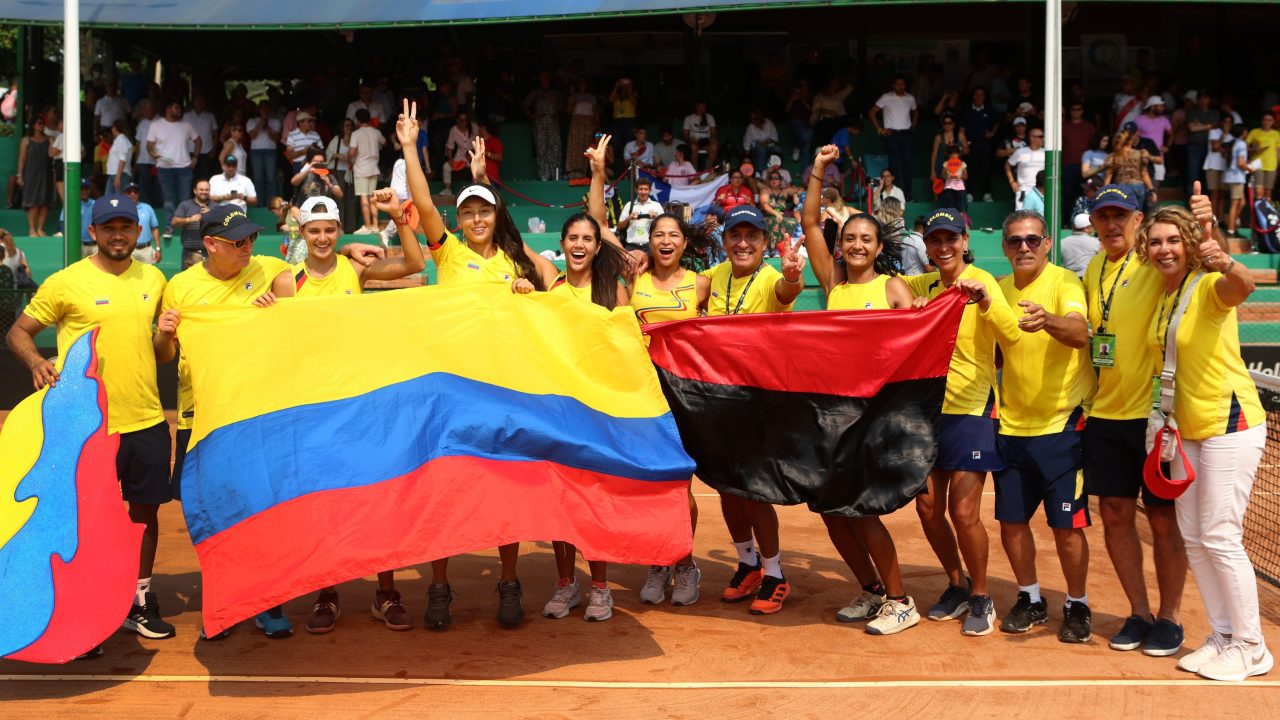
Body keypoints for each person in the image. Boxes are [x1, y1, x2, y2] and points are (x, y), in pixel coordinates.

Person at [398, 100, 547, 629]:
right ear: (458, 220)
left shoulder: (515, 260)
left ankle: (509, 582)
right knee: (445, 491)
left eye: (485, 210)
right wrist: (411, 147)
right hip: (451, 396)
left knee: (502, 490)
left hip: (503, 393)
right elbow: (422, 202)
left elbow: (549, 306)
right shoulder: (448, 254)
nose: (478, 219)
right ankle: (439, 588)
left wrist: (527, 292)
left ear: (495, 216)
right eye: (469, 212)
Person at [7, 193, 176, 650]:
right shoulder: (66, 283)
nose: (118, 234)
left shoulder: (155, 278)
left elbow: (163, 354)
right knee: (83, 519)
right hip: (87, 426)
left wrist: (165, 338)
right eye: (109, 227)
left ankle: (137, 602)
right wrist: (37, 363)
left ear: (138, 232)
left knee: (144, 513)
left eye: (126, 226)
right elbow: (18, 331)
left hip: (144, 417)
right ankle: (87, 610)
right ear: (94, 232)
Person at [155, 205, 298, 640]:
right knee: (214, 512)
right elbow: (165, 356)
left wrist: (279, 309)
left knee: (265, 507)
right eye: (238, 242)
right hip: (204, 414)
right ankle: (223, 602)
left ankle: (268, 601)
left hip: (258, 412)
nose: (248, 247)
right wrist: (163, 333)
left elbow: (299, 320)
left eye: (252, 238)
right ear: (210, 245)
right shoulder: (180, 287)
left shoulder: (269, 269)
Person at [1150, 198, 1271, 682]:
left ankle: (1252, 646)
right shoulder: (1165, 294)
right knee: (1196, 539)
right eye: (1156, 241)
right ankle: (1222, 636)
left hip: (1230, 423)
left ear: (1190, 245)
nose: (1164, 249)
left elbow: (1242, 286)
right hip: (1187, 431)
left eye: (1174, 240)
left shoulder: (1207, 286)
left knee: (1221, 536)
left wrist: (1228, 260)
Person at [295, 191, 426, 634]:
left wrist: (398, 218)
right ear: (302, 233)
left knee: (377, 498)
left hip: (359, 403)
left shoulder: (355, 269)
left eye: (330, 230)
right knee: (321, 506)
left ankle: (385, 593)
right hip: (311, 407)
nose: (323, 237)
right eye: (315, 231)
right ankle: (326, 594)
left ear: (339, 230)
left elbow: (414, 265)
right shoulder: (285, 281)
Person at [803, 145, 919, 634]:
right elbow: (811, 223)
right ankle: (870, 590)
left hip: (874, 416)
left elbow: (918, 349)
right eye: (849, 238)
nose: (855, 245)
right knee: (830, 510)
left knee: (864, 510)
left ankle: (900, 600)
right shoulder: (833, 284)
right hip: (835, 414)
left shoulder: (893, 288)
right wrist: (817, 171)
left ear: (877, 247)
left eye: (865, 239)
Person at [1081, 184, 1187, 658]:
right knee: (1115, 515)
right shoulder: (1092, 267)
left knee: (1163, 522)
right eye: (1102, 215)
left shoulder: (1156, 262)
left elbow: (1202, 266)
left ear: (1138, 220)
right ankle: (1139, 611)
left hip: (1150, 417)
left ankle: (1170, 617)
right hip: (1104, 412)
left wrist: (1205, 228)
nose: (1111, 223)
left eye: (1120, 215)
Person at [905, 208, 1021, 637]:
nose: (943, 247)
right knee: (928, 507)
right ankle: (957, 582)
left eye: (950, 238)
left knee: (964, 509)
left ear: (964, 239)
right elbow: (885, 289)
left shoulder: (982, 280)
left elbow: (1010, 335)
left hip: (973, 409)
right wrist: (912, 302)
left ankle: (982, 595)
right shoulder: (927, 284)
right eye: (934, 240)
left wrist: (985, 301)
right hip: (929, 412)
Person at [993, 210, 1094, 643]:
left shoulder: (1065, 283)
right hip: (1011, 427)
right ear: (1004, 247)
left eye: (1033, 240)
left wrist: (1047, 320)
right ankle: (1030, 598)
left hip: (1062, 427)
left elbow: (1080, 332)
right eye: (1015, 241)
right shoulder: (998, 290)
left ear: (1048, 243)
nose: (1024, 248)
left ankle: (1077, 603)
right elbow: (995, 352)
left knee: (1066, 527)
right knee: (1012, 523)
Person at [704, 205, 806, 616]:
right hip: (716, 401)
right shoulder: (712, 276)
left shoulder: (769, 278)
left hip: (758, 402)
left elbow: (786, 292)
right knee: (726, 487)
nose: (743, 243)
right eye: (735, 235)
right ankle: (747, 564)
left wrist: (794, 277)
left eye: (752, 237)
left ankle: (775, 573)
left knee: (755, 491)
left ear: (764, 243)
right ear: (725, 240)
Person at [146, 100, 200, 241]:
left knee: (185, 199)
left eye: (179, 108)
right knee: (169, 200)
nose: (179, 110)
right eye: (176, 107)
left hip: (184, 167)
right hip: (164, 167)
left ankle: (187, 228)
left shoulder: (186, 125)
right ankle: (169, 227)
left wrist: (195, 157)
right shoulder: (156, 125)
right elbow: (149, 145)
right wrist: (153, 154)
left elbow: (198, 141)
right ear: (168, 108)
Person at [869, 76, 918, 201]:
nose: (900, 86)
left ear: (905, 85)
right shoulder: (886, 97)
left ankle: (908, 195)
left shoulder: (910, 98)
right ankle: (893, 195)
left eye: (902, 84)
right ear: (893, 85)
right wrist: (879, 129)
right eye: (897, 84)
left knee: (908, 164)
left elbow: (916, 111)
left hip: (906, 133)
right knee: (894, 165)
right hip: (891, 134)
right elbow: (872, 112)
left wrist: (913, 125)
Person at [348, 108, 386, 234]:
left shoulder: (356, 134)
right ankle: (375, 225)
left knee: (364, 197)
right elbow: (384, 142)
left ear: (357, 120)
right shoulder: (376, 132)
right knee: (372, 197)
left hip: (360, 168)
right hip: (373, 168)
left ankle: (368, 226)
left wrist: (349, 160)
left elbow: (352, 152)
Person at [523, 71, 562, 182]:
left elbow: (564, 107)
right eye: (543, 77)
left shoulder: (555, 92)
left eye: (547, 76)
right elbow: (525, 104)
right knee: (541, 148)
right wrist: (532, 116)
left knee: (555, 149)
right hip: (540, 123)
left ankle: (556, 176)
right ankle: (544, 176)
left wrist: (556, 103)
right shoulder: (536, 92)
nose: (545, 79)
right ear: (540, 79)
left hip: (553, 121)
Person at [17, 116, 52, 236]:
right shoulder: (26, 140)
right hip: (31, 173)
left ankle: (40, 228)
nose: (42, 125)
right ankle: (32, 229)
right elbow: (22, 159)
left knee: (44, 201)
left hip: (46, 173)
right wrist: (20, 175)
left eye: (43, 123)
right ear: (33, 125)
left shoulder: (48, 139)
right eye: (39, 123)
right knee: (33, 201)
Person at [962, 87, 999, 202]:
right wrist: (964, 144)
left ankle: (987, 193)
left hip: (985, 144)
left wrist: (992, 133)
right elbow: (962, 128)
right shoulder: (967, 110)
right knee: (971, 169)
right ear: (973, 96)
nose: (979, 97)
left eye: (981, 95)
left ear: (984, 96)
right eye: (976, 95)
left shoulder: (989, 109)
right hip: (970, 144)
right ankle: (969, 193)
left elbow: (997, 122)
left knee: (986, 169)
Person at [1184, 91, 1219, 199]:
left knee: (1208, 177)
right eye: (1201, 98)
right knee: (1192, 176)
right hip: (1194, 147)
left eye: (1206, 98)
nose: (1204, 101)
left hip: (1210, 149)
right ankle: (1191, 204)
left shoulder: (1215, 113)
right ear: (1198, 100)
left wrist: (1200, 125)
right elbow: (1192, 128)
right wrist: (1209, 126)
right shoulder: (1192, 112)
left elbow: (1217, 126)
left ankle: (1205, 203)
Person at [172, 179, 213, 268]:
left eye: (207, 190)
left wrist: (212, 215)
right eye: (201, 189)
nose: (204, 192)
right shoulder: (185, 205)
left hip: (210, 254)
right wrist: (189, 220)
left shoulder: (216, 207)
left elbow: (224, 225)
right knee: (188, 281)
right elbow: (174, 222)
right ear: (195, 191)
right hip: (190, 254)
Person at [247, 101, 282, 201]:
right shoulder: (252, 121)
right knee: (258, 179)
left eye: (266, 108)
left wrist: (270, 131)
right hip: (256, 151)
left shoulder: (275, 122)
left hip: (271, 151)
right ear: (259, 110)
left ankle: (272, 203)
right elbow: (252, 136)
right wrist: (261, 122)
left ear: (269, 110)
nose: (264, 111)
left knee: (271, 179)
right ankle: (259, 203)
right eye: (262, 108)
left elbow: (277, 139)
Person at [564, 78, 598, 179]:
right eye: (581, 83)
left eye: (585, 83)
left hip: (589, 122)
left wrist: (597, 123)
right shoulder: (574, 96)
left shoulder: (591, 97)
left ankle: (587, 169)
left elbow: (595, 110)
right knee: (576, 145)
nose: (583, 85)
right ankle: (575, 169)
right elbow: (568, 111)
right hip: (577, 122)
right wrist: (571, 101)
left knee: (587, 144)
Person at [618, 176, 664, 249]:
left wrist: (656, 218)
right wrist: (629, 218)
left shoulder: (656, 205)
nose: (643, 192)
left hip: (650, 246)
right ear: (636, 190)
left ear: (650, 190)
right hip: (631, 246)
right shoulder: (629, 205)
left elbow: (664, 227)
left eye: (646, 189)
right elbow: (620, 226)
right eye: (640, 189)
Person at [1006, 128, 1045, 211]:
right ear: (1032, 138)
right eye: (1040, 137)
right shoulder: (1020, 152)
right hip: (1024, 190)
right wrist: (1012, 181)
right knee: (1021, 217)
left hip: (1042, 191)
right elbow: (1007, 165)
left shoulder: (1047, 153)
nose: (1043, 139)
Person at [931, 114, 969, 198]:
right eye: (945, 123)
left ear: (954, 124)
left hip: (957, 166)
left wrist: (959, 149)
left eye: (949, 123)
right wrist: (932, 171)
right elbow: (934, 154)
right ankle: (939, 209)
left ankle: (960, 209)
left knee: (958, 191)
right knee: (939, 189)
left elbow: (967, 151)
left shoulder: (960, 135)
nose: (947, 125)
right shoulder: (939, 137)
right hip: (941, 165)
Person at [122, 183, 161, 265]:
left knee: (148, 276)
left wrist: (158, 248)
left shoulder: (147, 208)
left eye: (135, 192)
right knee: (128, 276)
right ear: (124, 194)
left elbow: (155, 229)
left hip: (146, 250)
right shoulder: (120, 210)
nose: (133, 194)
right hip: (129, 250)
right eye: (129, 192)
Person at [184, 93, 219, 181]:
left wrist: (214, 149)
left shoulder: (210, 116)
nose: (199, 103)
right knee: (190, 177)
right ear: (194, 102)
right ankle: (191, 195)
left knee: (205, 177)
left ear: (204, 103)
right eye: (197, 101)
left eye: (202, 101)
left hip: (206, 151)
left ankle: (204, 194)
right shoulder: (186, 116)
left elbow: (215, 133)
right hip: (190, 151)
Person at [1223, 121, 1250, 236]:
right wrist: (1251, 168)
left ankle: (1231, 223)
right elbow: (1241, 163)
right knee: (1235, 203)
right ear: (1243, 132)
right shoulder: (1242, 144)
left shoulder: (1234, 142)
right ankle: (1231, 230)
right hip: (1237, 177)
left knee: (1242, 202)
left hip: (1233, 176)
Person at [1246, 111, 1279, 201]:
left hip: (1272, 165)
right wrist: (1254, 150)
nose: (1267, 122)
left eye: (1270, 120)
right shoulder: (1254, 132)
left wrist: (1278, 165)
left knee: (1268, 193)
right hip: (1257, 164)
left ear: (1273, 122)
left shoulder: (1276, 134)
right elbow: (1245, 147)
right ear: (1261, 121)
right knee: (1258, 191)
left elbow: (1278, 150)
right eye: (1265, 119)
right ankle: (1256, 214)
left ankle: (1265, 214)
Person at [1061, 212, 1100, 277]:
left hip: (1068, 280)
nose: (1093, 229)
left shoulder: (1062, 242)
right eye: (1091, 226)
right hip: (1088, 280)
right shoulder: (1096, 242)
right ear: (1086, 228)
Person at [683, 101, 719, 171]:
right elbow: (685, 135)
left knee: (714, 146)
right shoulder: (689, 118)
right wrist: (691, 139)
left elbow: (713, 133)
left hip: (706, 142)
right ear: (696, 106)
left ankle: (708, 170)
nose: (704, 106)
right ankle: (694, 170)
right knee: (693, 147)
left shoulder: (710, 117)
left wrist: (712, 139)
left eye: (705, 104)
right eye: (702, 104)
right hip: (694, 142)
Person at [106, 119, 134, 194]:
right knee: (109, 199)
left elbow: (122, 159)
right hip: (114, 173)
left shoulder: (121, 140)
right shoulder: (119, 140)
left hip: (120, 174)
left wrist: (118, 177)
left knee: (119, 199)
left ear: (115, 128)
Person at [939, 145, 968, 210]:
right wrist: (949, 176)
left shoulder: (962, 163)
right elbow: (942, 176)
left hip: (959, 186)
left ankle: (958, 215)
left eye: (955, 153)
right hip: (949, 186)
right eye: (951, 153)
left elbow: (966, 176)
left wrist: (959, 177)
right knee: (949, 202)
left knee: (959, 202)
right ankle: (950, 216)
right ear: (948, 155)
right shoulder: (946, 163)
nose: (953, 155)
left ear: (959, 154)